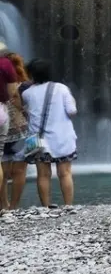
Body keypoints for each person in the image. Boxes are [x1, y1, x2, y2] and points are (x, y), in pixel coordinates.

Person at [22, 59, 77, 206]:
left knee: (43, 174)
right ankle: (68, 206)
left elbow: (26, 112)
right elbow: (72, 111)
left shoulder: (27, 94)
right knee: (64, 173)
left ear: (31, 75)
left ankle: (46, 206)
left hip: (38, 139)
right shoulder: (62, 88)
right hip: (62, 138)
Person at [1, 52, 29, 209]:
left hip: (2, 132)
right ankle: (14, 205)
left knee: (2, 172)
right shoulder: (24, 86)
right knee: (19, 170)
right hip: (20, 132)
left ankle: (3, 205)